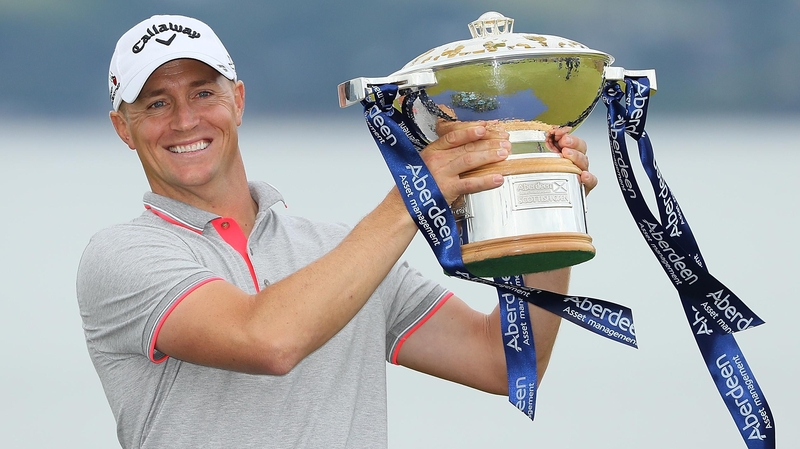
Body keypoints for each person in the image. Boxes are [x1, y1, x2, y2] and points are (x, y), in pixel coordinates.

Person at [77, 14, 598, 449]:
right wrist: (412, 196)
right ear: (123, 128)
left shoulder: (335, 248)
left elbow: (501, 362)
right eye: (156, 103)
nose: (185, 120)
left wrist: (546, 212)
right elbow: (268, 341)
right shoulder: (122, 256)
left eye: (202, 92)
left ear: (237, 100)